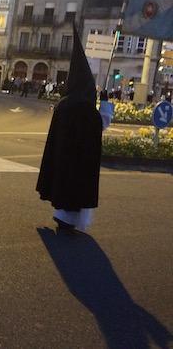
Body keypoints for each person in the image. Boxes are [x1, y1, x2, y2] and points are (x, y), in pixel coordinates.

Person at [36, 25, 103, 233]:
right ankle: (69, 219)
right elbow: (97, 132)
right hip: (79, 164)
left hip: (63, 161)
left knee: (64, 180)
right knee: (74, 184)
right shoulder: (87, 108)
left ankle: (62, 215)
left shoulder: (64, 104)